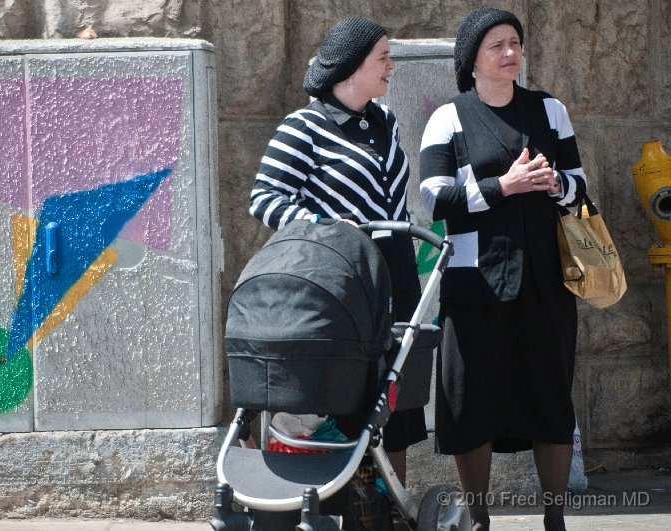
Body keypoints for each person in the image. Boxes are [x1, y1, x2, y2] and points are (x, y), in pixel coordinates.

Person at [418, 7, 587, 531]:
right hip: (476, 287)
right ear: (472, 59)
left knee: (550, 396)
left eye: (515, 42)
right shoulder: (449, 116)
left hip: (545, 281)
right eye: (497, 45)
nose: (510, 52)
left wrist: (556, 184)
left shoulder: (550, 110)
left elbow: (581, 187)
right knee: (472, 403)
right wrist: (502, 187)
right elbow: (433, 198)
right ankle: (479, 517)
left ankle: (554, 519)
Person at [249, 16, 426, 492]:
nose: (392, 65)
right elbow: (264, 199)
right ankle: (340, 503)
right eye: (383, 57)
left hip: (396, 277)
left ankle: (390, 511)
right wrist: (324, 227)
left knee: (395, 401)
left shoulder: (383, 121)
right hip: (341, 284)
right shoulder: (303, 126)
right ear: (352, 68)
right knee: (346, 397)